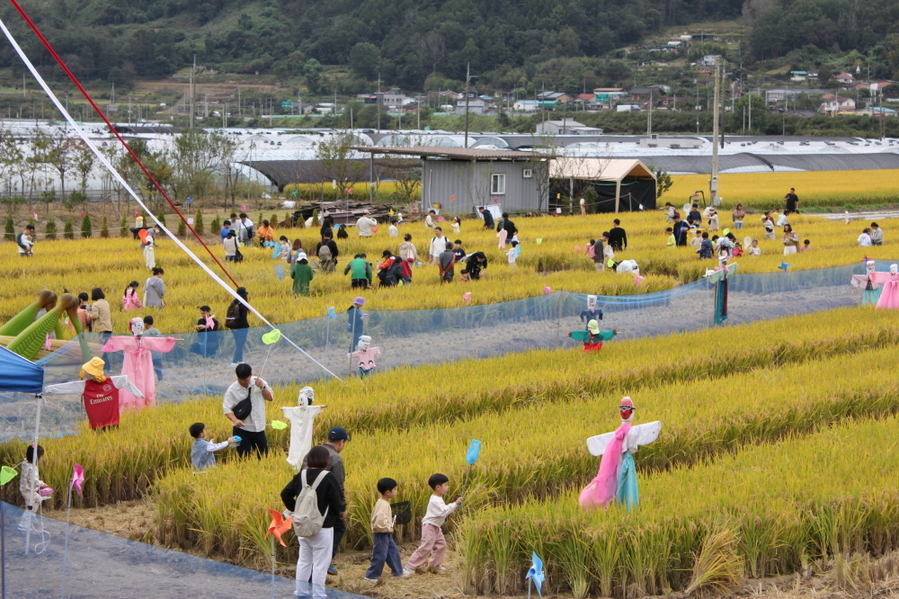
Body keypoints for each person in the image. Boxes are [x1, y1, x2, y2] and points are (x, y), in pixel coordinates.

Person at [282, 445, 344, 597]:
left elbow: (285, 493)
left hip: (302, 524)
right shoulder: (328, 477)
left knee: (304, 561)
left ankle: (301, 593)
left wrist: (296, 509)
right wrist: (339, 513)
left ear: (309, 459)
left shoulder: (302, 475)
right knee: (320, 565)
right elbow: (337, 502)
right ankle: (318, 595)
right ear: (325, 460)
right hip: (323, 526)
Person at [405, 473, 462, 573]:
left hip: (436, 526)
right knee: (426, 546)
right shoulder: (435, 500)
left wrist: (454, 507)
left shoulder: (438, 498)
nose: (447, 487)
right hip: (429, 526)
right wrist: (455, 504)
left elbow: (444, 510)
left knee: (441, 544)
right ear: (438, 487)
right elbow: (443, 511)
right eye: (445, 485)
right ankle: (410, 567)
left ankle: (434, 565)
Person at [364, 478, 413, 581]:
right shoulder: (383, 505)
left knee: (392, 551)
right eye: (394, 490)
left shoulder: (382, 503)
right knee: (380, 555)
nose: (396, 492)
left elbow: (381, 518)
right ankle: (371, 576)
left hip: (384, 533)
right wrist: (388, 528)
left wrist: (389, 521)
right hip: (381, 533)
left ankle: (397, 572)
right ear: (387, 492)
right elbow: (379, 522)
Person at [223, 363, 273, 458]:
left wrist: (262, 387)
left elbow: (270, 398)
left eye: (245, 380)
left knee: (264, 456)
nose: (242, 382)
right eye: (240, 379)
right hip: (242, 429)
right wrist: (235, 420)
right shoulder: (232, 390)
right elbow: (227, 409)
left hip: (259, 427)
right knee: (242, 457)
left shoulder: (259, 382)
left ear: (250, 375)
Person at [321, 426, 350, 574]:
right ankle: (326, 561)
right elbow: (339, 486)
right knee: (339, 528)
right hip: (328, 504)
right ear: (341, 442)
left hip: (309, 503)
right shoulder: (335, 458)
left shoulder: (313, 453)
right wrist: (341, 507)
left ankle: (319, 563)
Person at [18, 444, 50, 532]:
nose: (42, 458)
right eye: (41, 456)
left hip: (26, 489)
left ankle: (32, 517)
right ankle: (23, 524)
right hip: (28, 491)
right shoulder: (33, 468)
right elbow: (34, 480)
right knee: (29, 507)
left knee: (38, 499)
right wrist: (43, 484)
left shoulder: (25, 463)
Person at [88, 287, 113, 372]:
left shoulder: (96, 304)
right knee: (105, 348)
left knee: (101, 349)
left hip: (101, 328)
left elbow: (94, 315)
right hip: (108, 328)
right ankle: (107, 367)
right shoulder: (106, 302)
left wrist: (88, 313)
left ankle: (107, 367)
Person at [226, 287, 250, 367]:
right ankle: (234, 361)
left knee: (239, 344)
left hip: (234, 328)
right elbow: (242, 319)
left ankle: (240, 360)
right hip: (242, 328)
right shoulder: (243, 305)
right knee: (240, 345)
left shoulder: (234, 302)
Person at [142, 315, 164, 381]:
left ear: (145, 323)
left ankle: (149, 381)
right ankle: (160, 380)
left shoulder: (145, 333)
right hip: (159, 353)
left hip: (151, 354)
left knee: (148, 369)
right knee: (158, 369)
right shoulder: (158, 331)